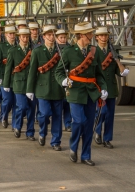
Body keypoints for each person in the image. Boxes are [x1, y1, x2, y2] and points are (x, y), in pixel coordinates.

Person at [55, 22, 108, 166]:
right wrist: (63, 81)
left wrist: (103, 88)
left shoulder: (94, 51)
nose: (92, 36)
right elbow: (58, 71)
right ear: (82, 35)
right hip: (75, 92)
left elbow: (100, 75)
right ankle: (73, 146)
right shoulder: (69, 51)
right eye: (89, 33)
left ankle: (85, 155)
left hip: (91, 92)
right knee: (78, 122)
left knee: (89, 125)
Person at [26, 25, 65, 150]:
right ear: (43, 37)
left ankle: (56, 141)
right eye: (48, 35)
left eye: (53, 35)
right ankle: (42, 133)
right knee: (44, 114)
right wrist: (29, 89)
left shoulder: (61, 51)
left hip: (57, 89)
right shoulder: (37, 51)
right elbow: (32, 71)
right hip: (42, 89)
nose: (51, 37)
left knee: (58, 116)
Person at [94, 27, 129, 148]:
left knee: (110, 114)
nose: (104, 38)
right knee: (101, 112)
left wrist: (122, 72)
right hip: (99, 88)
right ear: (97, 37)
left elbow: (116, 70)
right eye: (101, 35)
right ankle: (97, 132)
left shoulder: (112, 51)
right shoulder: (93, 51)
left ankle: (107, 138)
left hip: (112, 88)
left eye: (105, 35)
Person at [3, 27, 36, 141]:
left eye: (27, 36)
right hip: (18, 84)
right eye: (23, 36)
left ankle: (30, 132)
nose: (25, 39)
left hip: (32, 84)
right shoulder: (13, 51)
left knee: (32, 109)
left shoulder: (34, 50)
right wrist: (6, 84)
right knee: (21, 107)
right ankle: (17, 126)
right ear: (19, 37)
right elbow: (8, 68)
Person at [0, 25, 17, 128]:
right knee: (7, 100)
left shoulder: (18, 46)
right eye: (10, 34)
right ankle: (4, 116)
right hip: (5, 78)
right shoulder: (1, 46)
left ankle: (16, 124)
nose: (12, 36)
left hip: (17, 78)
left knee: (17, 103)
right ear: (6, 35)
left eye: (13, 34)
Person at [55, 29, 72, 132]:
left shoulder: (70, 49)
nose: (63, 40)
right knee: (58, 104)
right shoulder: (54, 50)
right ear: (56, 39)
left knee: (67, 103)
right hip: (57, 79)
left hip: (68, 77)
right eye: (61, 37)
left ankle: (68, 123)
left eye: (65, 37)